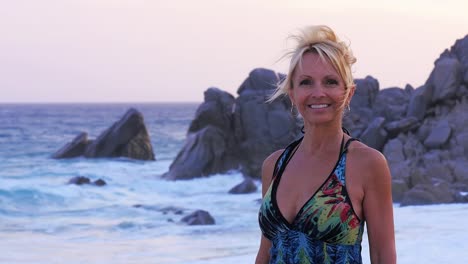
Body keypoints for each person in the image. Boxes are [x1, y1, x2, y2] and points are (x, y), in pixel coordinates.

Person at [256, 25, 396, 264]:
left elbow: (383, 257)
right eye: (306, 82)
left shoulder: (367, 164)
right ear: (292, 94)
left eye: (330, 82)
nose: (318, 92)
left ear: (348, 93)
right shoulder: (274, 166)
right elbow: (266, 253)